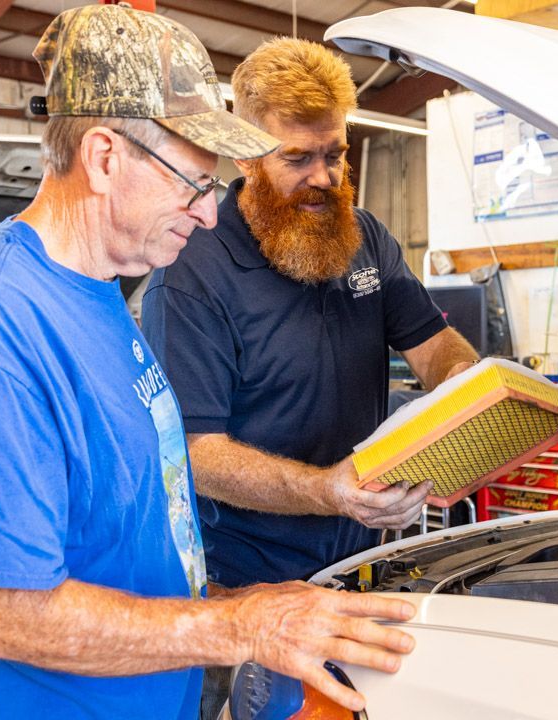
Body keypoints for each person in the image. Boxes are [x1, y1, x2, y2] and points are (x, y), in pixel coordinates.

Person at [0, 8, 417, 719]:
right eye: (195, 185)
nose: (209, 215)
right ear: (106, 157)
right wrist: (240, 629)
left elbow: (128, 545)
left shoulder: (102, 297)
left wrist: (247, 605)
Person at [141, 37, 479, 590]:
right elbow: (195, 454)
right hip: (247, 582)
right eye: (297, 158)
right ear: (246, 156)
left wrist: (461, 388)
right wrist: (326, 490)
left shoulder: (364, 236)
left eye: (335, 154)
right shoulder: (191, 272)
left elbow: (433, 340)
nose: (323, 177)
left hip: (364, 559)